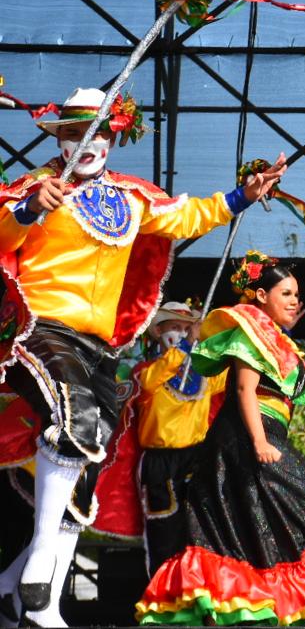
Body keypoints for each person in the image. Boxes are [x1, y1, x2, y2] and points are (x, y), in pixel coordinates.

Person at [0, 87, 284, 628]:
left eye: (98, 132)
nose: (84, 142)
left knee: (87, 463)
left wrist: (242, 196)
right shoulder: (33, 188)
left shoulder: (131, 198)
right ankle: (38, 564)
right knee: (73, 419)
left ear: (113, 138)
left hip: (99, 345)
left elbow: (186, 216)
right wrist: (28, 208)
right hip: (41, 327)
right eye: (71, 132)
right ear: (58, 139)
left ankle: (25, 596)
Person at [134, 252, 305, 625]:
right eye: (287, 293)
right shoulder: (249, 333)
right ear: (261, 296)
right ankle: (227, 604)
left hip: (261, 435)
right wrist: (259, 442)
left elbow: (276, 383)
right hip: (245, 437)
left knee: (252, 525)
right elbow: (246, 390)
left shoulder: (274, 339)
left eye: (297, 294)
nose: (296, 300)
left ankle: (256, 606)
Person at [97, 301, 230, 576]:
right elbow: (147, 383)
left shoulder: (205, 374)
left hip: (196, 459)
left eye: (186, 329)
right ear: (158, 331)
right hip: (159, 463)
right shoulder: (147, 372)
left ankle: (201, 599)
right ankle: (162, 603)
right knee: (163, 534)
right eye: (176, 328)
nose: (182, 334)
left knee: (201, 532)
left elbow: (238, 370)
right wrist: (185, 347)